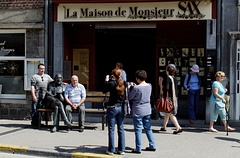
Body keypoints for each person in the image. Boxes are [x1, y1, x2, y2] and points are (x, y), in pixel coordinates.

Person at [128, 70, 156, 154]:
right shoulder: (149, 86)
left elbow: (130, 97)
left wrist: (130, 89)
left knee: (138, 129)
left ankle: (138, 148)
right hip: (147, 108)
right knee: (148, 128)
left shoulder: (136, 88)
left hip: (138, 109)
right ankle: (152, 145)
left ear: (137, 78)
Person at [102, 68, 126, 155]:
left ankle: (111, 149)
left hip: (112, 107)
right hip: (121, 107)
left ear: (113, 75)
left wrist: (106, 80)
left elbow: (104, 90)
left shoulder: (111, 83)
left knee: (111, 129)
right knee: (121, 128)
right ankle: (121, 149)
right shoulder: (123, 83)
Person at [160, 65, 182, 134]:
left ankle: (178, 127)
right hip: (174, 97)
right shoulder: (175, 78)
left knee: (171, 113)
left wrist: (162, 89)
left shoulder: (168, 78)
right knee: (167, 113)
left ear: (168, 71)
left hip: (169, 97)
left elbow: (166, 88)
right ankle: (164, 126)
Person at [30, 63, 54, 128]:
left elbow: (54, 82)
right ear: (38, 69)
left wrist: (63, 83)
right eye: (41, 68)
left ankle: (40, 122)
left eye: (43, 69)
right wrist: (33, 95)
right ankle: (34, 123)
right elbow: (32, 86)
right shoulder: (34, 76)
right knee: (35, 109)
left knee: (42, 110)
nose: (42, 70)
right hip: (37, 95)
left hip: (44, 96)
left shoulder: (47, 77)